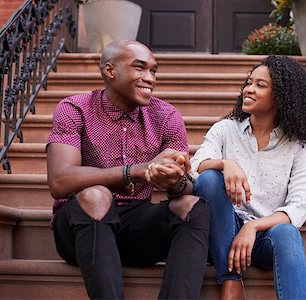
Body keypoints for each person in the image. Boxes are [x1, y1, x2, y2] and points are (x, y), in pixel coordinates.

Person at [46, 40, 210, 300]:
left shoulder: (166, 116)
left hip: (137, 224)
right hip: (82, 228)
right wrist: (133, 171)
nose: (150, 78)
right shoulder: (75, 108)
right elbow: (60, 181)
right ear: (110, 71)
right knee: (97, 195)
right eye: (139, 68)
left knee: (193, 205)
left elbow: (185, 186)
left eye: (153, 71)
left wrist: (173, 181)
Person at [191, 55, 306, 300]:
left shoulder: (298, 146)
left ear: (282, 96)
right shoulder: (225, 129)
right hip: (221, 230)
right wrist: (225, 164)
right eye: (249, 83)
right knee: (209, 179)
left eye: (260, 85)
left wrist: (253, 226)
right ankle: (229, 279)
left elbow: (298, 206)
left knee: (288, 233)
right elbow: (194, 167)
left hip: (262, 237)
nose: (249, 89)